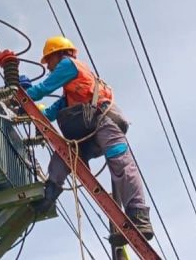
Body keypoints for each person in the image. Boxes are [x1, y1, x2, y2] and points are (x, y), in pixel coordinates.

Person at [26, 35, 154, 240]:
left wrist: (21, 93)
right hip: (88, 132)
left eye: (48, 60)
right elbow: (49, 113)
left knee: (121, 164)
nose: (48, 67)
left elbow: (42, 89)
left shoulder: (69, 64)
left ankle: (139, 217)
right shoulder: (70, 93)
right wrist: (29, 108)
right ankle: (48, 197)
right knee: (62, 156)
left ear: (58, 54)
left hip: (104, 122)